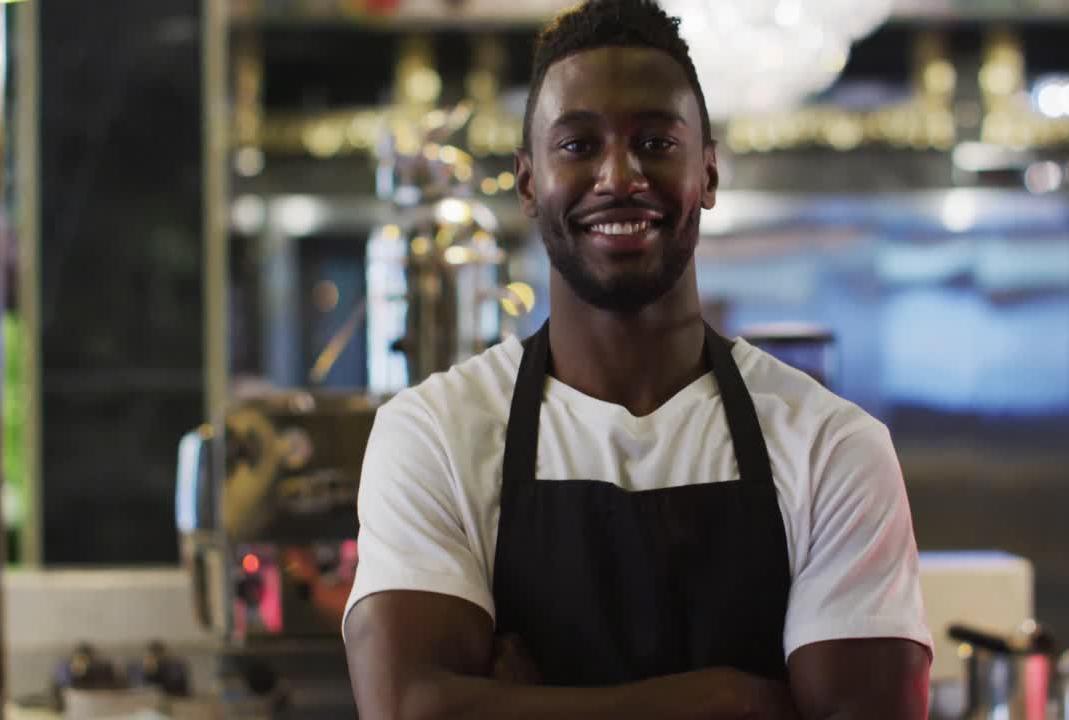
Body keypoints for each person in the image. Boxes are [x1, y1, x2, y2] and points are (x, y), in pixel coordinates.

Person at [342, 0, 933, 717]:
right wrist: (729, 699)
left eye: (655, 142)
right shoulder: (434, 434)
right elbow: (410, 709)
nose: (618, 175)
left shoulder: (833, 449)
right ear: (529, 183)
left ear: (708, 174)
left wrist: (524, 705)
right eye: (577, 145)